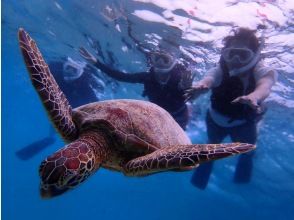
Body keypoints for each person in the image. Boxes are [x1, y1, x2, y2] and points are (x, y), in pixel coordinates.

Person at [185, 28, 278, 188]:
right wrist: (202, 86)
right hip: (215, 119)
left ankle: (242, 179)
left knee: (247, 151)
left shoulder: (259, 70)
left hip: (243, 124)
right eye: (231, 53)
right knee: (211, 146)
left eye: (243, 55)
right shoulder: (220, 69)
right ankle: (200, 182)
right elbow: (209, 78)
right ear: (224, 54)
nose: (235, 59)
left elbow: (265, 85)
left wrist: (254, 96)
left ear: (254, 56)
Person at [79, 47, 194, 130]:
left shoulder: (180, 78)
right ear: (151, 60)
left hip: (179, 116)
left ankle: (190, 110)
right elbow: (121, 76)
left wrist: (186, 89)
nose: (160, 62)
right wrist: (96, 62)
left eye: (165, 59)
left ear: (173, 63)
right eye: (156, 58)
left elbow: (191, 95)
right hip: (158, 116)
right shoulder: (147, 77)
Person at [16, 57, 106, 160]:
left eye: (74, 70)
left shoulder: (86, 85)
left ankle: (52, 137)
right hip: (60, 101)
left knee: (63, 123)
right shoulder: (55, 69)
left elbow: (96, 105)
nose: (70, 72)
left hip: (75, 105)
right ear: (65, 65)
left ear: (80, 72)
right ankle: (50, 137)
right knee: (56, 120)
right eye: (68, 68)